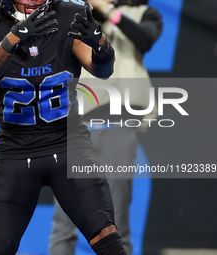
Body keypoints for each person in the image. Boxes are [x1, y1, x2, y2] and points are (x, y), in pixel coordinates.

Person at [0, 0, 127, 253]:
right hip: (14, 150)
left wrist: (102, 45)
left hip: (68, 143)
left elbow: (102, 69)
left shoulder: (70, 13)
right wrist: (13, 38)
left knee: (105, 234)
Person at [49, 0, 163, 254]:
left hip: (118, 126)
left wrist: (110, 11)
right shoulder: (76, 14)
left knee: (116, 219)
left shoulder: (144, 12)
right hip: (75, 129)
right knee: (64, 221)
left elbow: (145, 39)